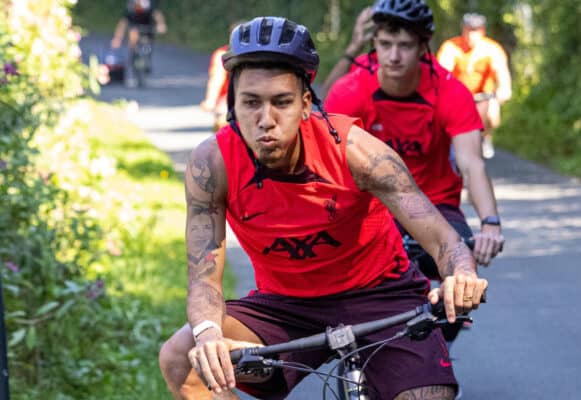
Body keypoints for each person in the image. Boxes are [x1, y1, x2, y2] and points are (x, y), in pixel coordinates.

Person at [158, 16, 488, 400]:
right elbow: (203, 276)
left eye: (281, 102)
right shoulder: (211, 165)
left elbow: (443, 238)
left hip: (380, 296)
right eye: (250, 103)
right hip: (284, 308)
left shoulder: (358, 152)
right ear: (233, 104)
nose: (266, 120)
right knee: (182, 356)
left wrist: (461, 273)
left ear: (304, 105)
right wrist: (209, 333)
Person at [323, 0, 504, 346]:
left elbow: (471, 163)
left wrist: (490, 223)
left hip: (435, 206)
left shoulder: (450, 91)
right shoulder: (352, 88)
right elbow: (327, 162)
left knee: (460, 277)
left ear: (423, 48)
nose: (393, 56)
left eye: (404, 46)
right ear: (374, 42)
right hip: (367, 206)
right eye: (385, 44)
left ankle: (436, 351)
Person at [437, 13, 512, 159]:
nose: (471, 35)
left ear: (482, 31)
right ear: (463, 30)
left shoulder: (492, 49)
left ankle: (485, 138)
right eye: (468, 30)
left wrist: (503, 90)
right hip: (458, 96)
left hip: (483, 97)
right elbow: (442, 72)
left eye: (475, 31)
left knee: (491, 112)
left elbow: (502, 73)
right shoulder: (452, 46)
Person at [110, 0, 167, 86]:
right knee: (133, 37)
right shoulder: (131, 6)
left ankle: (147, 60)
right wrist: (117, 38)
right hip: (135, 27)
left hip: (148, 27)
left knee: (148, 43)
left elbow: (157, 14)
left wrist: (161, 25)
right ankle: (133, 55)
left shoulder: (149, 4)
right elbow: (123, 22)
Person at [199, 43, 229, 131]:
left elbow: (217, 78)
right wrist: (211, 99)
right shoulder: (223, 54)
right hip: (227, 103)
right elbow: (217, 77)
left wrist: (211, 100)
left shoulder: (223, 54)